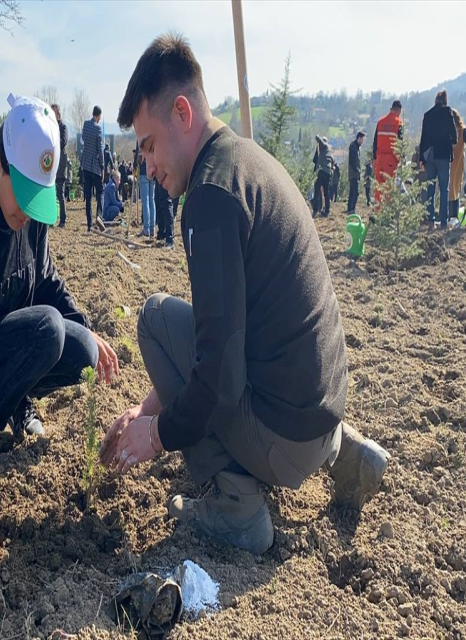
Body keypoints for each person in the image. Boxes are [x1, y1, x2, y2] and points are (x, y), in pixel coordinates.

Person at [104, 33, 390, 555]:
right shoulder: (248, 161)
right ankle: (347, 455)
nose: (145, 165)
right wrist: (146, 410)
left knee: (154, 319)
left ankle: (237, 508)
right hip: (322, 411)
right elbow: (229, 335)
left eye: (147, 144)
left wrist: (158, 434)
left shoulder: (210, 199)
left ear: (182, 113)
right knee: (195, 336)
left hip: (285, 437)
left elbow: (219, 377)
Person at [0, 94, 119, 517]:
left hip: (14, 342)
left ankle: (12, 402)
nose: (29, 213)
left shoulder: (29, 221)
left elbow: (47, 280)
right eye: (24, 193)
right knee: (47, 329)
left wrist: (87, 327)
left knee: (80, 348)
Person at [419, 90, 457, 229]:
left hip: (430, 155)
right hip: (443, 155)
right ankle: (443, 222)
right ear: (445, 100)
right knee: (444, 189)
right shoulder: (448, 113)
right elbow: (454, 137)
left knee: (430, 188)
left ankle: (430, 220)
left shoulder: (427, 115)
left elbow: (423, 138)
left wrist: (422, 158)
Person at [448, 109, 466, 219]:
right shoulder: (461, 131)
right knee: (454, 188)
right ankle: (452, 216)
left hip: (455, 163)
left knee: (452, 188)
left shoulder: (460, 131)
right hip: (454, 163)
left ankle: (452, 216)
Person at [373, 100, 403, 205]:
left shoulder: (380, 122)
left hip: (379, 159)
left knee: (379, 188)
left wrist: (374, 159)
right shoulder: (398, 122)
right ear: (399, 110)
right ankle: (388, 215)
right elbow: (400, 144)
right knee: (390, 189)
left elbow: (375, 142)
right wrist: (400, 160)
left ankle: (377, 213)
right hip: (391, 159)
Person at [81, 105, 105, 232]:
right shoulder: (98, 129)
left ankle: (89, 225)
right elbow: (100, 150)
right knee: (100, 192)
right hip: (95, 166)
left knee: (88, 196)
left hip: (85, 164)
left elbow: (84, 139)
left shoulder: (85, 125)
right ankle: (99, 217)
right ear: (99, 115)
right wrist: (102, 166)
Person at [51, 103, 68, 228]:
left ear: (58, 114)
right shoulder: (50, 126)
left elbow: (63, 142)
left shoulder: (63, 127)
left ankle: (63, 219)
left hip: (60, 162)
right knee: (51, 192)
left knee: (59, 192)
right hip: (51, 162)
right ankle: (51, 218)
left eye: (54, 112)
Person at [312, 135, 333, 217]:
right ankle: (327, 211)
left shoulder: (324, 146)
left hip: (322, 171)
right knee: (326, 193)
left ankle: (315, 210)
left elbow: (317, 137)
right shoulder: (330, 150)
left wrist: (318, 137)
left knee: (317, 189)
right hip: (328, 172)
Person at [137, 147, 156, 236]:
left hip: (144, 172)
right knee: (151, 201)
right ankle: (152, 229)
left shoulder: (141, 138)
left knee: (146, 202)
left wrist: (135, 165)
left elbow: (138, 158)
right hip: (152, 172)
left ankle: (146, 229)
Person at [346, 131, 365, 213]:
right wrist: (357, 170)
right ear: (358, 138)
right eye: (362, 139)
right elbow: (352, 161)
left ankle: (350, 208)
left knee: (352, 191)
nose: (362, 142)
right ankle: (352, 208)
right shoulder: (353, 147)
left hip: (354, 173)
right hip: (353, 173)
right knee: (355, 192)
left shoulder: (356, 147)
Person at [154, 179, 176, 249]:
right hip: (159, 175)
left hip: (166, 173)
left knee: (166, 202)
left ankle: (170, 239)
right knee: (159, 202)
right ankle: (161, 235)